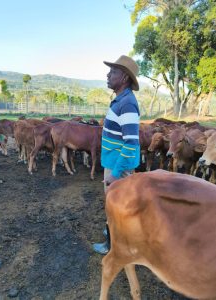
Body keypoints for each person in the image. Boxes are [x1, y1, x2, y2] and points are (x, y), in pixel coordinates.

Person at [93, 55, 141, 255]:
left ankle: (118, 248)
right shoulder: (120, 100)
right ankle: (116, 244)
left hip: (118, 168)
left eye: (113, 72)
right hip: (113, 164)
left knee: (118, 210)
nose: (108, 74)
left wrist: (115, 173)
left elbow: (131, 143)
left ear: (124, 78)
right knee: (115, 209)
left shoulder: (127, 103)